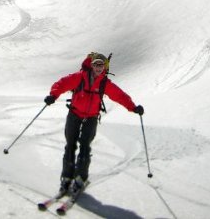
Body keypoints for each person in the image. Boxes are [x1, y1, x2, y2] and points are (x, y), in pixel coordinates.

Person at [44, 52, 144, 195]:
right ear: (91, 65)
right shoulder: (79, 77)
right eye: (96, 64)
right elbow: (62, 84)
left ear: (104, 67)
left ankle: (80, 179)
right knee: (70, 145)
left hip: (91, 117)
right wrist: (53, 95)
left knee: (85, 147)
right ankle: (66, 178)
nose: (98, 68)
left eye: (101, 65)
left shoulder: (104, 83)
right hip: (74, 114)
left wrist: (133, 107)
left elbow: (119, 95)